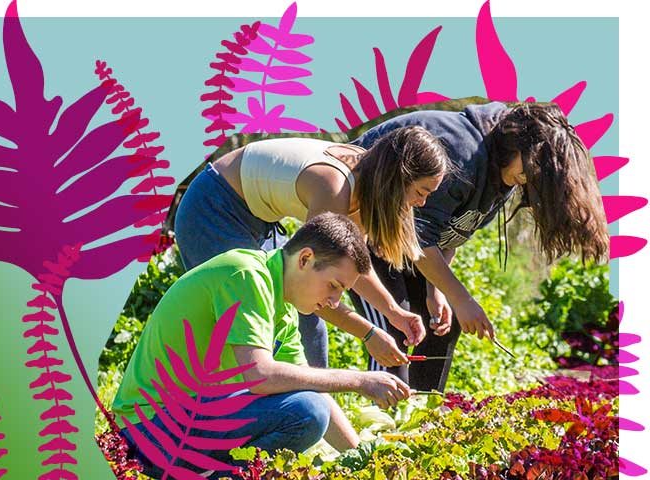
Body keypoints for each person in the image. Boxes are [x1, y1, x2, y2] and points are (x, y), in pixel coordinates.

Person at [113, 213, 414, 479]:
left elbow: (310, 386)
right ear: (305, 259)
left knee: (309, 403)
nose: (334, 303)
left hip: (179, 426)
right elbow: (260, 375)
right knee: (308, 411)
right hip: (147, 432)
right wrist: (360, 380)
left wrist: (363, 460)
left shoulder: (283, 305)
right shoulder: (246, 275)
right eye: (334, 286)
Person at [348, 101, 609, 392]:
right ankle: (382, 419)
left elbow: (450, 230)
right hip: (369, 226)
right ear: (516, 145)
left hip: (408, 239)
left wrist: (437, 292)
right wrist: (461, 297)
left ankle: (421, 414)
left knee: (441, 323)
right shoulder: (463, 153)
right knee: (395, 324)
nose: (527, 181)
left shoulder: (503, 172)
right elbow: (419, 235)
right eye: (529, 172)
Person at [173, 127, 450, 370]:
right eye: (421, 192)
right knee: (253, 319)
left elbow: (352, 263)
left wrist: (393, 313)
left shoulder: (367, 180)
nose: (422, 203)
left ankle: (312, 410)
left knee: (303, 323)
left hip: (259, 219)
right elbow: (314, 289)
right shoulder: (336, 187)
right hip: (212, 209)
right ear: (397, 179)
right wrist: (368, 334)